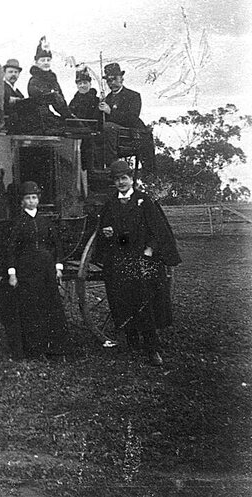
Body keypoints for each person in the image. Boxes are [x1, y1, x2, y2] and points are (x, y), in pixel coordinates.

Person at [97, 160, 181, 366]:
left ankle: (153, 347)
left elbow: (157, 230)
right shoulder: (110, 204)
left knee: (145, 300)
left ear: (131, 179)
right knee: (123, 298)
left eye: (124, 178)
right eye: (117, 179)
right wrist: (108, 233)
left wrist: (149, 250)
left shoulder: (144, 201)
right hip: (121, 258)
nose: (121, 182)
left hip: (144, 258)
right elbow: (111, 231)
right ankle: (132, 341)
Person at [0, 181, 69, 358]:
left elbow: (56, 245)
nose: (31, 201)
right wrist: (12, 273)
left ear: (38, 200)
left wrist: (58, 267)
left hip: (46, 269)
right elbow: (11, 249)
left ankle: (54, 347)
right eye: (27, 198)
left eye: (34, 197)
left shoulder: (45, 222)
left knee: (49, 305)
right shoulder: (18, 223)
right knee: (30, 307)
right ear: (22, 201)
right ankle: (34, 348)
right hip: (26, 269)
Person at [99, 62, 154, 171]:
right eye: (109, 80)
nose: (112, 83)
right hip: (113, 138)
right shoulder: (107, 99)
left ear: (121, 78)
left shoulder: (133, 96)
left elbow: (132, 118)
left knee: (108, 127)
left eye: (114, 79)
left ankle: (112, 167)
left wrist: (110, 111)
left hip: (132, 135)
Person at [26, 36, 72, 133]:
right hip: (38, 119)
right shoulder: (34, 81)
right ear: (36, 62)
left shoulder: (53, 80)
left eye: (48, 60)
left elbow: (61, 102)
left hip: (49, 116)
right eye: (42, 60)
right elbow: (40, 100)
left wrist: (69, 117)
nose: (46, 63)